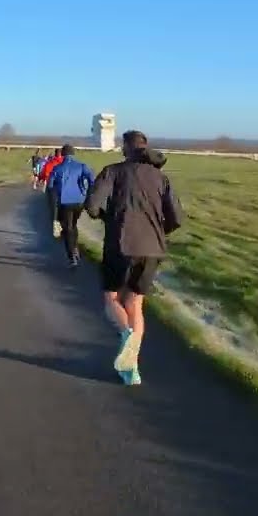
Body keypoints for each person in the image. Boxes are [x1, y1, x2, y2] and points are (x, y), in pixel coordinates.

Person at [84, 131, 183, 385]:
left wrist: (108, 218)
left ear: (125, 149)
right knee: (135, 304)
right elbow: (177, 218)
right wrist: (159, 232)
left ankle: (128, 337)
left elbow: (92, 206)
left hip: (120, 244)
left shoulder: (113, 171)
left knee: (112, 298)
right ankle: (131, 371)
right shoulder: (162, 178)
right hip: (153, 249)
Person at [45, 144, 95, 268]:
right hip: (79, 201)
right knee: (73, 224)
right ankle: (76, 247)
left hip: (64, 202)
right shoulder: (81, 166)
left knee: (67, 228)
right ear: (73, 153)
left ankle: (72, 255)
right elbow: (92, 179)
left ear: (62, 154)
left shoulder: (57, 169)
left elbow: (50, 187)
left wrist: (53, 202)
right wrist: (86, 191)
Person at [38, 148, 65, 237]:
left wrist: (41, 179)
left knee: (53, 209)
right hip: (65, 187)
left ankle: (56, 229)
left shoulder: (50, 163)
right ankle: (65, 225)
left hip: (52, 187)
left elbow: (43, 174)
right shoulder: (65, 163)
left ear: (55, 154)